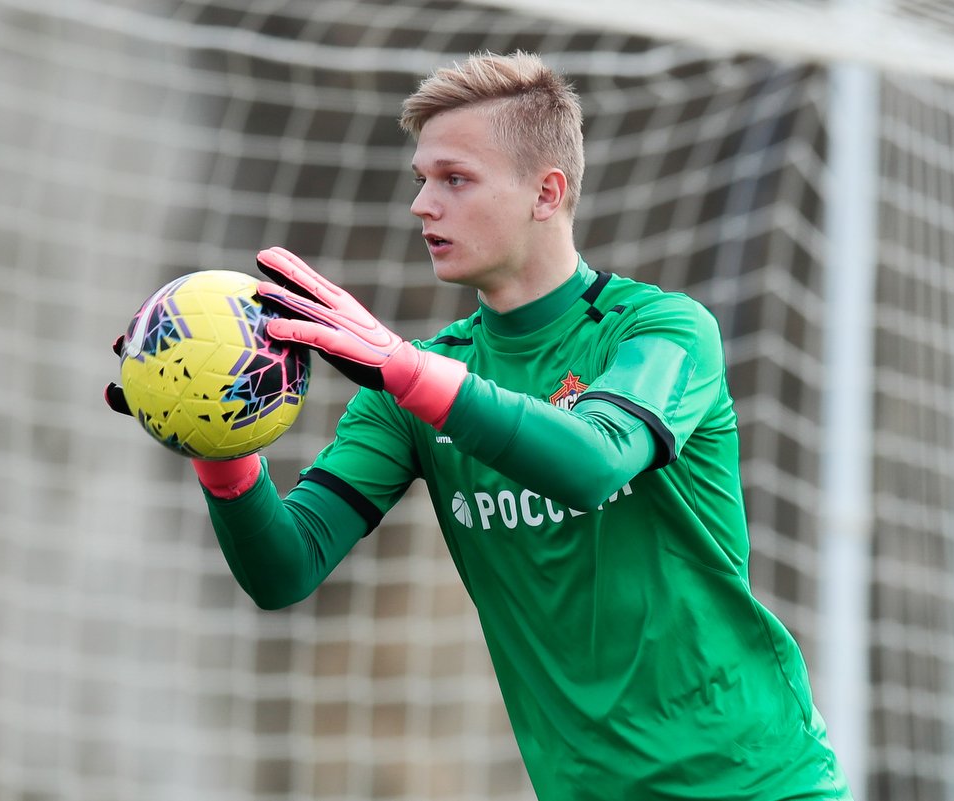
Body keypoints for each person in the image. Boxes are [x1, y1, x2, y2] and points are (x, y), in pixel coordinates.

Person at [108, 51, 852, 800]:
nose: (421, 204)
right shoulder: (415, 383)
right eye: (421, 179)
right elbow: (285, 568)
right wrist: (218, 438)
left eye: (454, 179)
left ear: (546, 193)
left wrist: (409, 373)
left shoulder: (660, 329)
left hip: (762, 783)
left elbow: (596, 462)